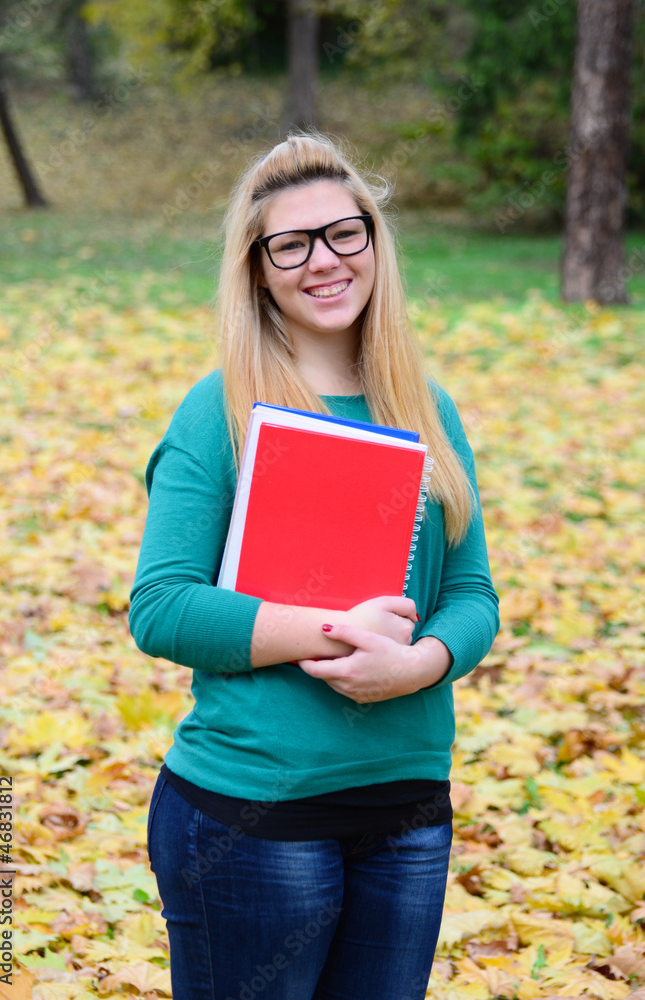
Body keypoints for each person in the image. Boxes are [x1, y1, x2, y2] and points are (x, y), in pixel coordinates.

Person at [129, 132, 500, 1000]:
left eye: (345, 233)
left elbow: (474, 591)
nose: (324, 261)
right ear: (258, 269)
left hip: (407, 812)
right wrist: (333, 636)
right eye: (290, 244)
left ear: (374, 241)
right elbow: (162, 605)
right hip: (255, 817)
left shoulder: (425, 405)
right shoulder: (218, 408)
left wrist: (419, 662)